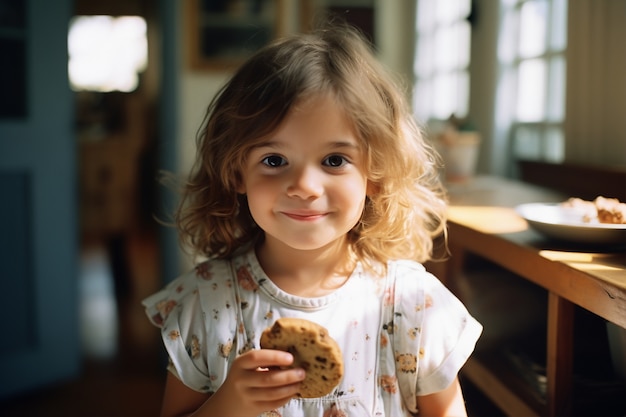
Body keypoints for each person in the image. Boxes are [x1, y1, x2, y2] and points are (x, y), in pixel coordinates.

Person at [143, 22, 482, 417]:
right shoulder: (205, 304)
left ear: (374, 175)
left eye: (334, 160)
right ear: (237, 173)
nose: (304, 185)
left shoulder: (413, 306)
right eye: (274, 161)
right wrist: (228, 405)